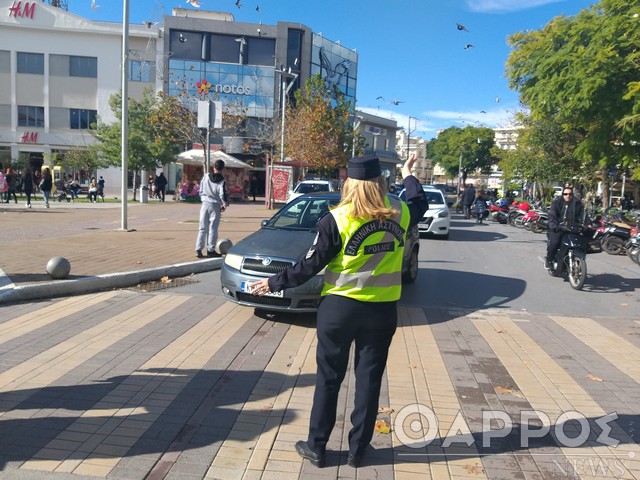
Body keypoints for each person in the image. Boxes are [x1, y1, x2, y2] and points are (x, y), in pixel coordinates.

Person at [247, 153, 428, 469]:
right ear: (380, 182)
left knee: (329, 378)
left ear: (349, 183)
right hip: (382, 310)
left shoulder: (336, 219)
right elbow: (418, 201)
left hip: (339, 311)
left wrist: (272, 282)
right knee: (369, 380)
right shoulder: (400, 213)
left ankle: (317, 447)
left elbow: (309, 266)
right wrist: (409, 173)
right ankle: (358, 450)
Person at [545, 185, 584, 270]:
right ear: (562, 195)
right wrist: (556, 226)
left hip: (572, 228)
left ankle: (579, 258)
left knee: (583, 241)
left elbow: (583, 215)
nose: (568, 196)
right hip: (558, 228)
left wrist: (588, 224)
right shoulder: (557, 203)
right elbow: (552, 216)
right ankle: (549, 260)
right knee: (555, 242)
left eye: (570, 194)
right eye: (565, 194)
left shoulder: (577, 204)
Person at [195, 159, 228, 258]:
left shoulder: (206, 176)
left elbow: (200, 189)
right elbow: (223, 194)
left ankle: (198, 249)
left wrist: (203, 198)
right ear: (222, 169)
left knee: (202, 227)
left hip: (205, 204)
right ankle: (210, 249)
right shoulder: (222, 180)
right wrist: (224, 204)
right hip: (215, 205)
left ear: (214, 167)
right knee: (213, 228)